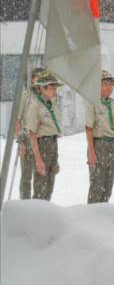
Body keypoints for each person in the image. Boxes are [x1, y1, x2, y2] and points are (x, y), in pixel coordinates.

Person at [25, 70, 63, 201]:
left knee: (49, 185)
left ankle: (46, 214)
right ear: (42, 88)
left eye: (55, 88)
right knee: (41, 186)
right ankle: (37, 217)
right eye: (51, 87)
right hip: (42, 145)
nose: (54, 90)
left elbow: (54, 130)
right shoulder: (36, 105)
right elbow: (32, 133)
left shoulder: (52, 104)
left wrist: (56, 160)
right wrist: (38, 159)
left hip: (52, 143)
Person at [86, 70, 114, 204]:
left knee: (108, 187)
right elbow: (89, 128)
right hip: (99, 145)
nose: (109, 87)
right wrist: (91, 152)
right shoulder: (93, 103)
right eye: (105, 84)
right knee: (96, 187)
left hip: (112, 144)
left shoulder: (111, 103)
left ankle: (102, 217)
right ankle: (92, 218)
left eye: (110, 84)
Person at [15, 67, 45, 199]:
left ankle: (38, 204)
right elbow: (18, 120)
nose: (40, 80)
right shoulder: (25, 96)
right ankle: (25, 203)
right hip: (27, 139)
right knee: (26, 176)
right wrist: (21, 143)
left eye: (42, 77)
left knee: (41, 176)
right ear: (32, 79)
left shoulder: (46, 96)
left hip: (42, 140)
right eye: (37, 77)